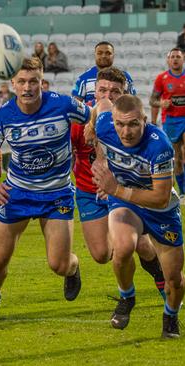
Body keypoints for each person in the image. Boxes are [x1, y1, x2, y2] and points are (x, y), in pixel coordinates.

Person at [0, 57, 89, 323]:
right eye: (22, 82)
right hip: (17, 193)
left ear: (42, 81)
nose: (28, 87)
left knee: (59, 265)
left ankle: (74, 269)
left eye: (33, 81)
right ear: (12, 84)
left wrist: (93, 133)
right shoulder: (3, 116)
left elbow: (92, 115)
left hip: (57, 194)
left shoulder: (62, 105)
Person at [90, 94, 185, 338]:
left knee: (174, 279)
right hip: (124, 202)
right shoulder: (104, 124)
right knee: (122, 249)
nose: (126, 131)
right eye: (120, 124)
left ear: (145, 120)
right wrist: (91, 132)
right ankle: (126, 297)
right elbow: (101, 103)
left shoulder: (159, 145)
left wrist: (115, 189)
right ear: (112, 121)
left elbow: (161, 197)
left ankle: (170, 316)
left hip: (160, 209)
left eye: (133, 124)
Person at [72, 67, 166, 299]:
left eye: (115, 91)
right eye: (102, 90)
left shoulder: (131, 126)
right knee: (101, 254)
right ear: (94, 92)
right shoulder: (79, 124)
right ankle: (73, 268)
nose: (108, 96)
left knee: (140, 246)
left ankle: (159, 278)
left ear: (125, 94)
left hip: (123, 193)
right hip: (88, 191)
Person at [150, 48, 185, 206]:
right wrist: (161, 103)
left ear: (183, 60)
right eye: (172, 57)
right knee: (178, 159)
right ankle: (182, 193)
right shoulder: (161, 79)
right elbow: (152, 100)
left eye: (178, 57)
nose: (175, 59)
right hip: (171, 121)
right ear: (168, 60)